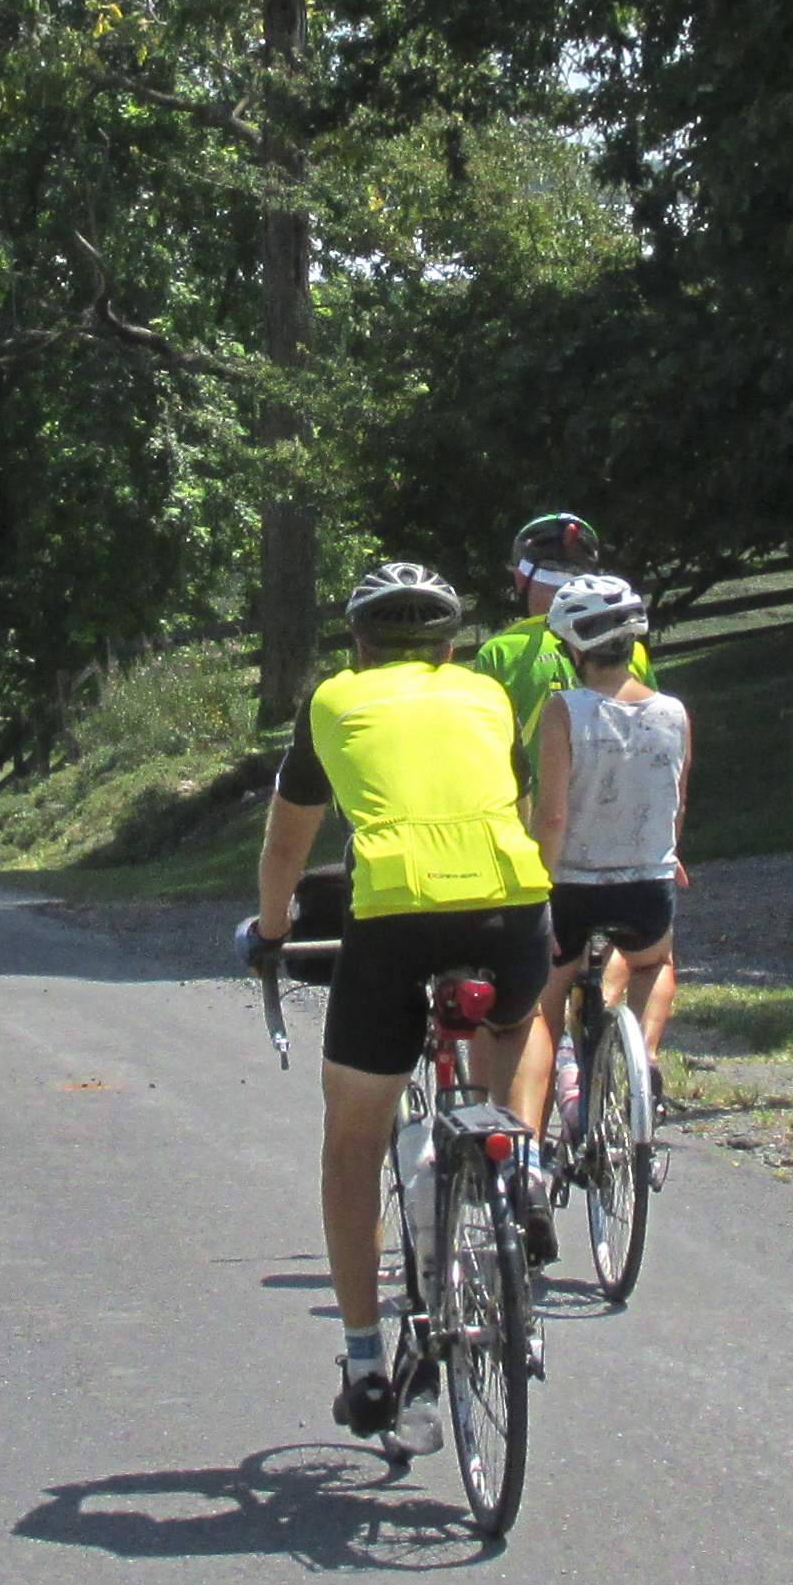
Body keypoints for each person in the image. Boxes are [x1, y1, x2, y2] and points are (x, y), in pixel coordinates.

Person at [242, 562, 557, 1456]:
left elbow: (285, 845)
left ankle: (365, 1362)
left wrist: (271, 935)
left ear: (358, 646)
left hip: (391, 919)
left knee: (350, 1143)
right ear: (452, 646)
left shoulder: (333, 704)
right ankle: (518, 1169)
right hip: (509, 908)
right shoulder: (488, 698)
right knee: (518, 1021)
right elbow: (524, 812)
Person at [526, 575, 693, 1179]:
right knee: (653, 964)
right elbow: (674, 802)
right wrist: (666, 854)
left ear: (573, 648)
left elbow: (552, 813)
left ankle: (534, 1149)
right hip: (646, 884)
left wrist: (538, 886)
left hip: (572, 885)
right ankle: (644, 1058)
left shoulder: (564, 710)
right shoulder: (673, 712)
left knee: (542, 1010)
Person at [461, 514, 595, 790]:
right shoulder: (626, 646)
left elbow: (490, 751)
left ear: (521, 578)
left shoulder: (500, 652)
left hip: (536, 821)